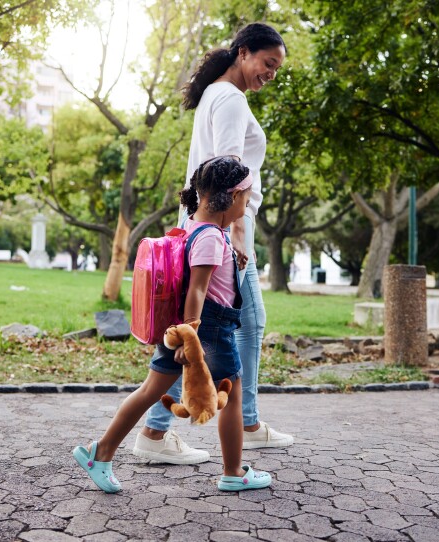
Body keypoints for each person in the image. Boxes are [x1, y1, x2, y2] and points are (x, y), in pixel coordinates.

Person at [133, 22, 293, 464]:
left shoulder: (217, 95)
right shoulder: (230, 98)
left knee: (222, 327)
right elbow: (227, 175)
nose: (270, 74)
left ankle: (176, 429)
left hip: (217, 232)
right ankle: (233, 425)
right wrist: (235, 238)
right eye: (267, 63)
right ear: (243, 53)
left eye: (277, 68)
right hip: (223, 236)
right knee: (222, 327)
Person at [73, 156, 272, 492]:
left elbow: (202, 273)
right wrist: (189, 340)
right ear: (231, 197)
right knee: (232, 396)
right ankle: (234, 472)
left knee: (150, 390)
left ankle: (101, 452)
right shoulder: (211, 237)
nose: (249, 203)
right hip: (206, 331)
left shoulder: (199, 226)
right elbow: (197, 290)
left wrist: (229, 256)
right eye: (248, 197)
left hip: (180, 329)